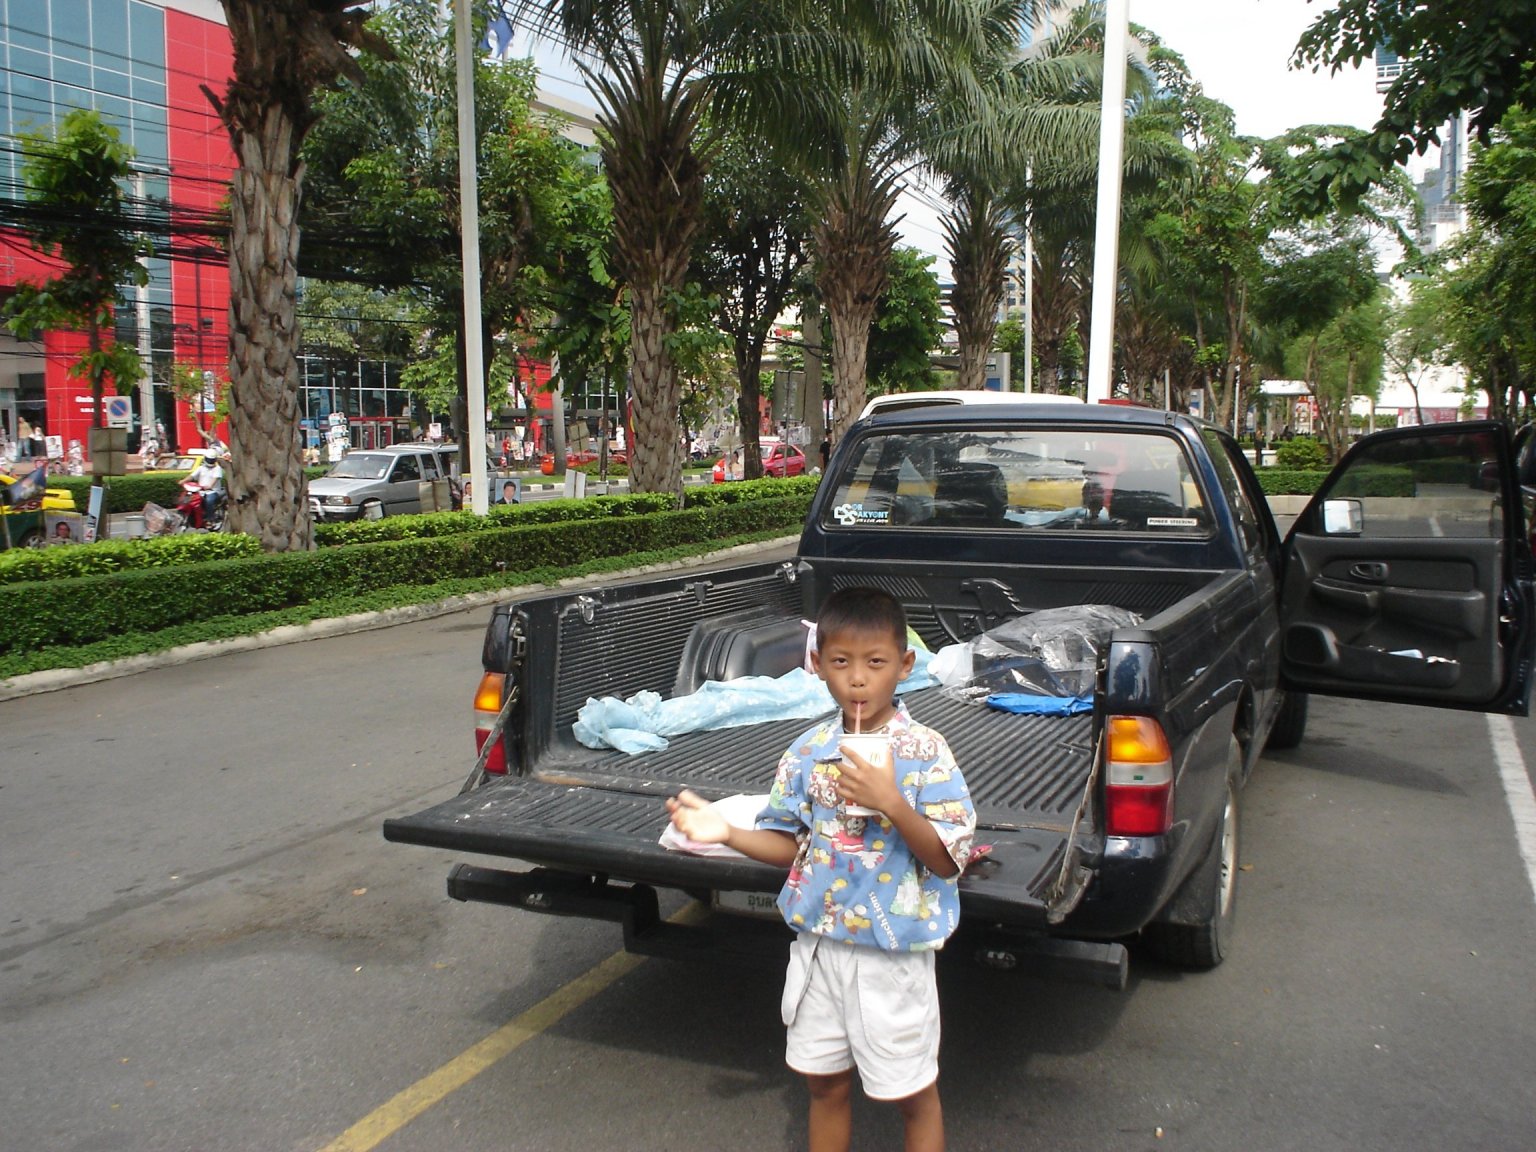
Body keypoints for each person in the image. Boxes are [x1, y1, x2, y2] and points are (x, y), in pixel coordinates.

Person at [667, 587, 975, 1152]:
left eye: (876, 662)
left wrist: (893, 803)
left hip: (893, 957)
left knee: (913, 1094)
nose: (858, 679)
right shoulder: (808, 752)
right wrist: (728, 833)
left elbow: (946, 858)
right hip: (818, 951)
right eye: (841, 662)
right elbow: (794, 848)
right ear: (817, 666)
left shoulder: (925, 752)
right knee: (825, 1086)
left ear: (905, 666)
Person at [186, 451, 224, 524]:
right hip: (200, 491)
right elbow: (192, 476)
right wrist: (183, 481)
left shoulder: (217, 469)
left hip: (213, 491)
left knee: (209, 501)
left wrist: (210, 486)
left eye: (211, 460)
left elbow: (215, 478)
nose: (210, 461)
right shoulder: (201, 468)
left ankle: (210, 519)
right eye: (209, 459)